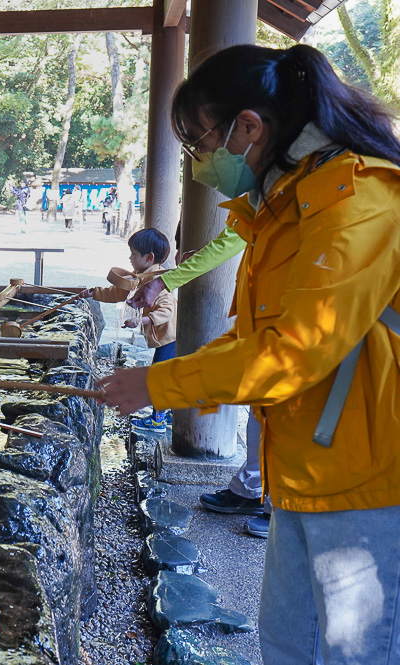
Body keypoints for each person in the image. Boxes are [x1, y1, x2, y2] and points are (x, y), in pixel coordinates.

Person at [98, 44, 400, 664]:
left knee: (359, 653)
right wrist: (164, 375)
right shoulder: (286, 204)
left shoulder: (356, 203)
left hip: (372, 475)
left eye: (198, 144)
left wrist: (158, 388)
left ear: (249, 127)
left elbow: (294, 352)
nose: (199, 163)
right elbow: (253, 334)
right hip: (308, 467)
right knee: (288, 644)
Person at [129, 225, 270, 536]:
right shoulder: (261, 202)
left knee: (286, 416)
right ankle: (251, 488)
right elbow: (228, 242)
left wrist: (165, 280)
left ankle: (282, 506)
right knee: (260, 413)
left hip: (294, 328)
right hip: (262, 321)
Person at [79, 228, 175, 432]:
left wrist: (142, 322)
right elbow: (118, 292)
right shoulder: (140, 276)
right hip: (166, 338)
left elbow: (166, 311)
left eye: (133, 254)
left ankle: (158, 420)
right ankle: (169, 413)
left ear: (149, 258)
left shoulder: (158, 281)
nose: (129, 258)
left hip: (173, 338)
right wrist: (94, 292)